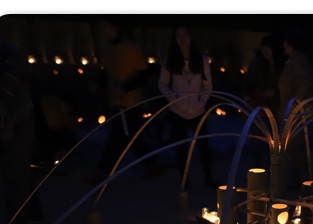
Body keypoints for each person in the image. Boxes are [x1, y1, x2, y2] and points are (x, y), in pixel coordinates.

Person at [89, 18, 163, 185]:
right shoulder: (107, 49)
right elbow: (107, 72)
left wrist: (125, 87)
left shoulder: (130, 48)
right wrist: (98, 84)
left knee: (118, 138)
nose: (103, 31)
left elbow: (143, 74)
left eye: (106, 27)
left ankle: (103, 173)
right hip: (114, 101)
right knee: (130, 136)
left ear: (115, 28)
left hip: (129, 102)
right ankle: (154, 164)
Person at [0, 39, 43, 224]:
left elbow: (7, 91)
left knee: (14, 171)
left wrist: (8, 126)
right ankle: (31, 213)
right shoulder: (2, 54)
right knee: (18, 168)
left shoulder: (8, 55)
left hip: (16, 118)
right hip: (12, 118)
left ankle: (18, 220)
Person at [157, 25, 217, 188]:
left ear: (191, 37)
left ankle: (208, 178)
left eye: (185, 35)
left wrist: (201, 102)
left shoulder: (202, 60)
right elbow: (163, 84)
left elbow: (208, 85)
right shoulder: (170, 60)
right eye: (178, 35)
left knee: (203, 145)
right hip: (177, 111)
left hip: (198, 110)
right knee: (181, 147)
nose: (182, 39)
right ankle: (184, 181)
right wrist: (174, 100)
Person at [277, 29, 313, 187]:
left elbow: (304, 80)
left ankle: (308, 180)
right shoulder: (293, 60)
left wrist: (296, 102)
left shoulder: (299, 59)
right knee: (294, 146)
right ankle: (304, 179)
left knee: (296, 146)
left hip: (294, 111)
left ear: (290, 44)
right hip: (291, 109)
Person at [243, 34, 284, 169]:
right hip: (259, 107)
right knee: (257, 141)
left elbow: (285, 86)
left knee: (273, 142)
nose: (266, 51)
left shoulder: (281, 65)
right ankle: (259, 171)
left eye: (269, 48)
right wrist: (253, 94)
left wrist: (275, 92)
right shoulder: (257, 64)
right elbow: (248, 84)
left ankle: (273, 170)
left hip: (275, 108)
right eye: (264, 48)